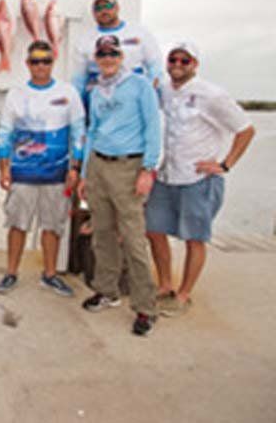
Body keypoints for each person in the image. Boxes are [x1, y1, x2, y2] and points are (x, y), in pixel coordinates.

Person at [146, 42, 255, 317]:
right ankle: (165, 285)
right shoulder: (164, 90)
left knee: (195, 239)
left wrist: (225, 164)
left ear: (195, 64)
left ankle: (184, 294)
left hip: (198, 179)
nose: (178, 65)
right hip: (167, 174)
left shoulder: (212, 95)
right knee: (153, 231)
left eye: (185, 60)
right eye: (173, 59)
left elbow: (246, 130)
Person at [77, 35, 161, 336]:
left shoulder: (140, 86)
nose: (108, 58)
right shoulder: (97, 90)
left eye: (113, 53)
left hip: (129, 166)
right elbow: (93, 130)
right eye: (102, 54)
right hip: (99, 164)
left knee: (134, 239)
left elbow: (153, 127)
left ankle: (145, 307)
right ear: (97, 58)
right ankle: (107, 290)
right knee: (102, 234)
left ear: (121, 56)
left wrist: (148, 169)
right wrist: (86, 173)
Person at [0, 41, 85, 297]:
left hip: (56, 175)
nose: (40, 66)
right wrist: (4, 168)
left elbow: (79, 133)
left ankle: (50, 274)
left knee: (52, 226)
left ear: (52, 62)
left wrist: (75, 168)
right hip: (22, 174)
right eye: (35, 61)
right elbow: (5, 134)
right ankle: (11, 273)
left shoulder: (68, 93)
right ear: (27, 64)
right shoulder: (16, 94)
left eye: (45, 60)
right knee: (17, 224)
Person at [71, 0, 163, 109]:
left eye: (108, 6)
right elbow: (79, 78)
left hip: (133, 97)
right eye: (98, 8)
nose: (103, 11)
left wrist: (147, 94)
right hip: (99, 100)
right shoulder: (84, 40)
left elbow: (155, 66)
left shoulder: (139, 32)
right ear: (93, 13)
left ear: (117, 7)